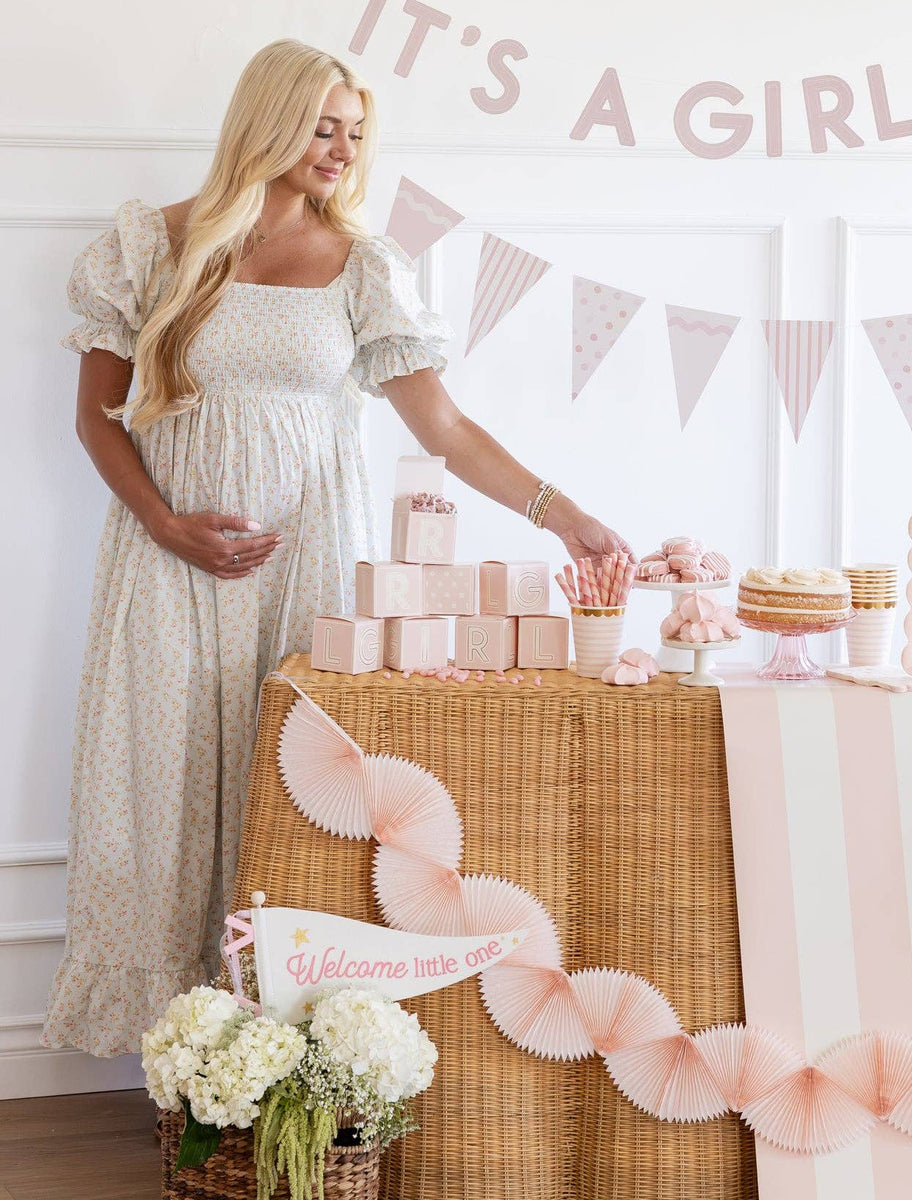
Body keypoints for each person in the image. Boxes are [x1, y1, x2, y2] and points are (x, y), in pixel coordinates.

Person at [43, 37, 632, 1057]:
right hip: (167, 569)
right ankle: (184, 1058)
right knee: (157, 791)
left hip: (303, 570)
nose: (341, 149)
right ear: (267, 120)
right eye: (323, 126)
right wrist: (165, 522)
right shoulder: (150, 246)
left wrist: (567, 515)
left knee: (294, 791)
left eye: (355, 133)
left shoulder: (363, 267)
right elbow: (99, 418)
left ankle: (287, 1060)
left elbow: (444, 432)